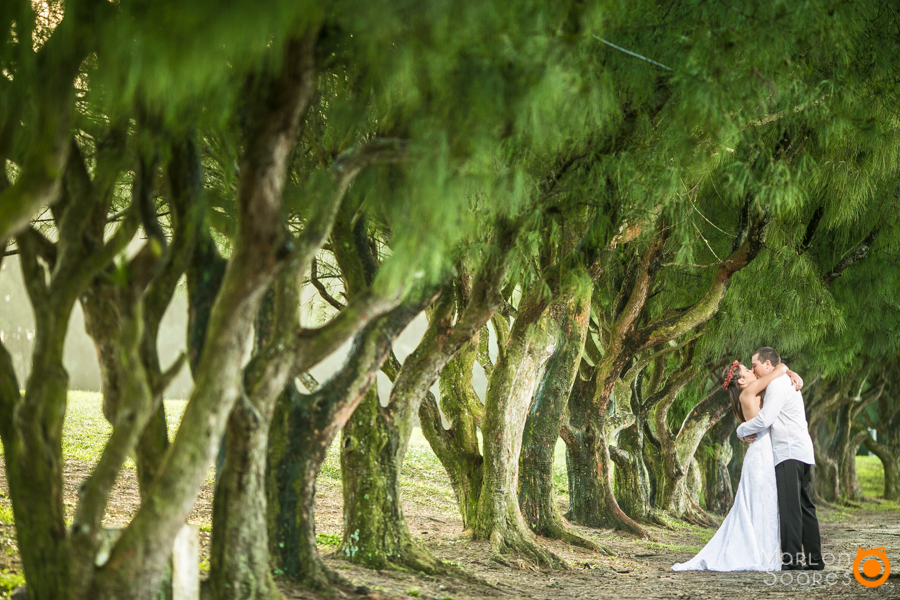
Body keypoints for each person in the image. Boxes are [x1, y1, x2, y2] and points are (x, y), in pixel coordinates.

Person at [672, 360, 801, 572]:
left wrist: (790, 372)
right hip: (761, 456)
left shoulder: (751, 393)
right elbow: (778, 370)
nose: (752, 371)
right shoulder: (749, 392)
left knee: (763, 504)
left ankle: (763, 553)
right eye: (748, 370)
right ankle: (757, 553)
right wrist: (787, 370)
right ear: (741, 381)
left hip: (764, 453)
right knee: (759, 504)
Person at [737, 347, 822, 570]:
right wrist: (788, 370)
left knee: (790, 508)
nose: (754, 370)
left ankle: (792, 560)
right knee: (804, 506)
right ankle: (815, 559)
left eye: (754, 365)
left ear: (767, 364)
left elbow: (765, 419)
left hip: (788, 451)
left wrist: (741, 430)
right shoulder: (783, 380)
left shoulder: (776, 384)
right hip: (802, 450)